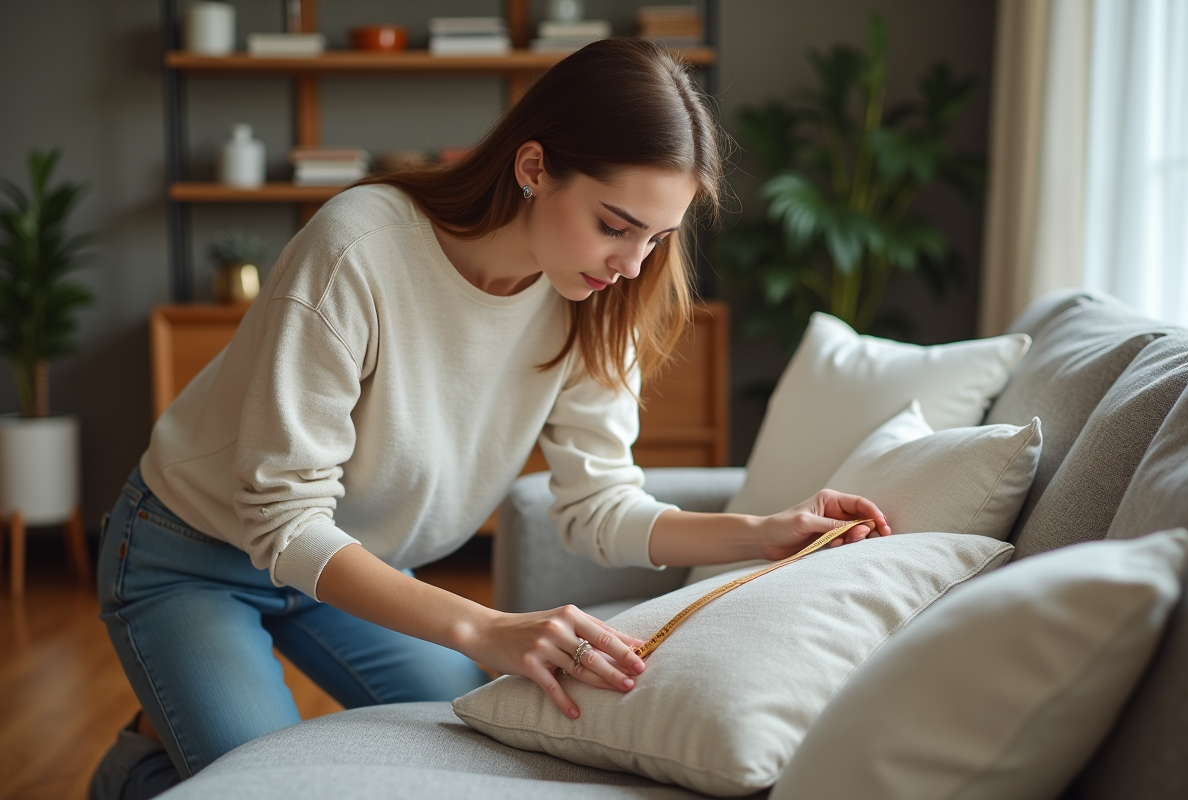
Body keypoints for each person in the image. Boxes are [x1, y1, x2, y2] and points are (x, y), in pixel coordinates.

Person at [89, 38, 890, 799]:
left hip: (349, 566)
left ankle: (178, 718)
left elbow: (598, 507)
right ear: (535, 166)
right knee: (270, 782)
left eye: (658, 238)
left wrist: (764, 532)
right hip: (196, 551)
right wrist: (484, 629)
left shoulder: (598, 297)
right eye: (615, 225)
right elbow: (285, 523)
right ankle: (139, 767)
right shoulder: (358, 251)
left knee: (482, 752)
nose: (633, 264)